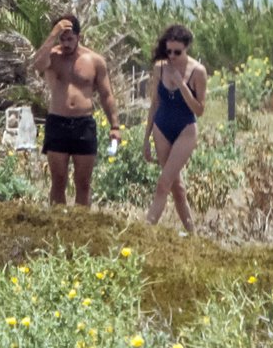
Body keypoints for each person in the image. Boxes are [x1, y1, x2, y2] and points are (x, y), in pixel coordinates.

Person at [33, 13, 122, 206]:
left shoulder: (95, 60)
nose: (65, 44)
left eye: (70, 39)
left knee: (83, 183)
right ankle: (58, 226)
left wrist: (115, 126)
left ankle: (81, 229)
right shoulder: (52, 57)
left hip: (83, 124)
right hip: (57, 122)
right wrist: (52, 34)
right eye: (62, 39)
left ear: (78, 37)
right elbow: (37, 64)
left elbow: (107, 95)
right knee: (58, 181)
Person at [141, 24, 205, 234]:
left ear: (186, 48)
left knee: (163, 183)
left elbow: (199, 109)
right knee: (177, 187)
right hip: (161, 127)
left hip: (185, 128)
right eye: (168, 51)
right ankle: (192, 234)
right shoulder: (160, 67)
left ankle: (145, 232)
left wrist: (182, 85)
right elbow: (155, 103)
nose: (172, 56)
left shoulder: (197, 71)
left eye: (177, 52)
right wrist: (146, 139)